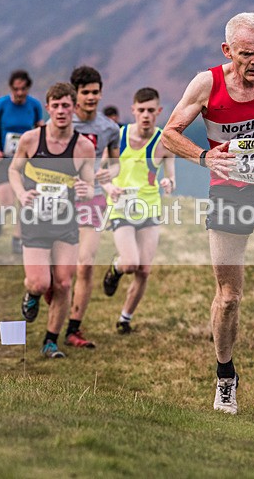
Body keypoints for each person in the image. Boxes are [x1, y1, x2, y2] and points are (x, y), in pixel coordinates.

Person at [160, 12, 254, 415]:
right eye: (247, 54)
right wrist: (205, 156)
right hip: (228, 196)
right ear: (228, 50)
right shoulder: (207, 84)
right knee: (229, 297)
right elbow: (170, 133)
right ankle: (225, 376)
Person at [9, 82, 95, 359]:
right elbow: (13, 170)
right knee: (39, 283)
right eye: (55, 106)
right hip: (35, 220)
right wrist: (22, 193)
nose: (60, 111)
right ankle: (32, 295)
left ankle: (50, 341)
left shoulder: (83, 147)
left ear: (75, 108)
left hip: (65, 222)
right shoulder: (31, 139)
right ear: (47, 108)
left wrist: (85, 190)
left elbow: (90, 186)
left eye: (66, 106)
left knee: (64, 283)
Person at [101, 87, 175, 334]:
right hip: (121, 207)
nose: (146, 115)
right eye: (141, 110)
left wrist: (168, 183)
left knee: (144, 269)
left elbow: (171, 177)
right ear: (133, 110)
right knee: (131, 263)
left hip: (149, 208)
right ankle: (116, 267)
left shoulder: (164, 141)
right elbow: (102, 173)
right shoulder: (117, 137)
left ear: (159, 112)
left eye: (151, 111)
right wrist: (109, 186)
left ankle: (125, 318)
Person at [63, 66, 121, 349]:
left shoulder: (109, 128)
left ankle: (73, 329)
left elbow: (115, 162)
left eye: (95, 92)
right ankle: (41, 291)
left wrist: (108, 175)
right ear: (75, 94)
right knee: (59, 271)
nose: (91, 97)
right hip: (60, 200)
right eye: (85, 92)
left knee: (85, 264)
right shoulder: (61, 123)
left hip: (94, 198)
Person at [0, 69, 44, 254]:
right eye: (16, 89)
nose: (19, 93)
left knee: (24, 199)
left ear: (28, 88)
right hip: (3, 159)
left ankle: (17, 238)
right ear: (11, 88)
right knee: (7, 202)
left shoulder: (34, 106)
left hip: (25, 160)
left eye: (23, 89)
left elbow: (41, 129)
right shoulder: (0, 105)